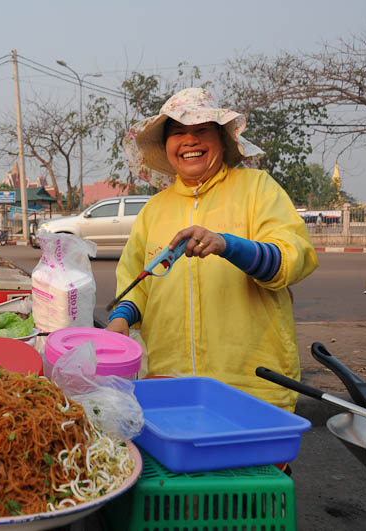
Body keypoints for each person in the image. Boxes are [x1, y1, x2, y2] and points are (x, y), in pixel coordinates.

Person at [107, 88, 318, 412]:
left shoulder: (257, 188)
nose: (189, 140)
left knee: (253, 465)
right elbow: (138, 283)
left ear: (222, 140)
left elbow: (291, 259)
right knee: (176, 463)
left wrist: (228, 245)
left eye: (201, 130)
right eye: (178, 132)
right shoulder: (154, 210)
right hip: (169, 383)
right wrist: (122, 317)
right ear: (166, 147)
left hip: (251, 384)